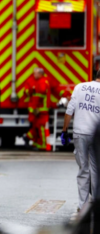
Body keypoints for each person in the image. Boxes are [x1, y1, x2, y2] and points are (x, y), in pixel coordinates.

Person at [61, 70, 100, 212]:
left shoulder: (80, 87)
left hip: (80, 133)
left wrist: (64, 130)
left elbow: (69, 110)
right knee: (96, 171)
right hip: (97, 135)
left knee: (83, 169)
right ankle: (96, 205)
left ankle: (82, 206)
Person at [25, 68, 50, 150]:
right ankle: (34, 141)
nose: (34, 75)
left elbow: (40, 94)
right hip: (37, 109)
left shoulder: (42, 82)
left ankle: (42, 145)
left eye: (35, 73)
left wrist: (35, 107)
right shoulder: (37, 81)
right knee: (36, 127)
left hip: (41, 109)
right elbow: (27, 92)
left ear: (40, 74)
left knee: (41, 128)